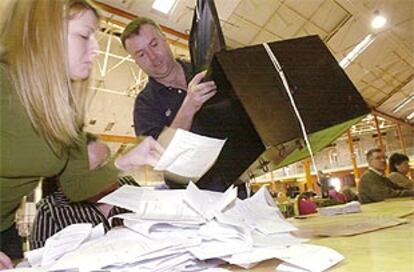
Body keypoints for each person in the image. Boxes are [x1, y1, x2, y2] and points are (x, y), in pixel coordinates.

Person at [0, 0, 163, 265]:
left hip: (5, 229)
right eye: (83, 35)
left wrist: (127, 161)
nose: (96, 49)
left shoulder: (64, 112)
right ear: (45, 34)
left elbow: (75, 187)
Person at [30, 139, 138, 249]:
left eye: (109, 160)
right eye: (99, 167)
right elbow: (40, 261)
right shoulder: (52, 211)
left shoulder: (129, 186)